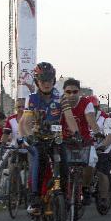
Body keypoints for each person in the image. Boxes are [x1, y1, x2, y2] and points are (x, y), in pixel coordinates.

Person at [19, 62, 74, 212]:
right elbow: (25, 122)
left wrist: (76, 134)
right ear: (37, 81)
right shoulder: (32, 98)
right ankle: (34, 197)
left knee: (64, 164)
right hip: (36, 138)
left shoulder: (60, 98)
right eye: (43, 80)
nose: (46, 84)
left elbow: (69, 117)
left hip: (55, 139)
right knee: (38, 158)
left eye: (49, 80)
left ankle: (64, 196)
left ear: (54, 80)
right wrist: (29, 136)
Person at [60, 79, 101, 204]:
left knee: (91, 162)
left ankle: (85, 187)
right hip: (64, 140)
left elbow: (91, 120)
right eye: (68, 92)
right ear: (64, 92)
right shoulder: (59, 102)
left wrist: (97, 131)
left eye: (75, 92)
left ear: (79, 92)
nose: (72, 95)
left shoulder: (86, 103)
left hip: (83, 140)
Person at [90, 96, 111, 209]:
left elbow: (109, 136)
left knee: (101, 172)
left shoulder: (105, 118)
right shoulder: (83, 116)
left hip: (105, 148)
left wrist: (103, 146)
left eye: (93, 108)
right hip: (88, 148)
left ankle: (104, 198)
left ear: (97, 108)